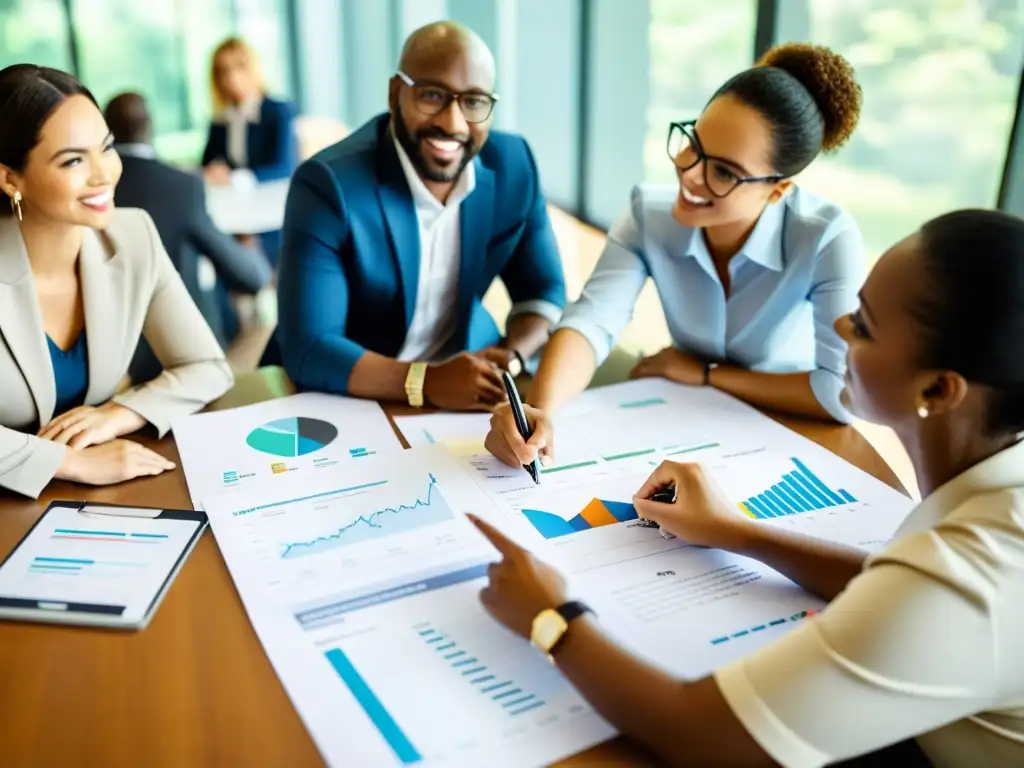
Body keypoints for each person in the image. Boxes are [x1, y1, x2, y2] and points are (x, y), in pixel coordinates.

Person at [468, 208, 1024, 766]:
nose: (839, 327)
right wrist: (738, 531)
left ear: (938, 387)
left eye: (865, 325)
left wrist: (553, 620)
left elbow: (703, 734)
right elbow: (889, 585)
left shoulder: (972, 574)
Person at [487, 43, 864, 462]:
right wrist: (541, 407)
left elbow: (841, 392)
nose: (689, 173)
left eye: (723, 172)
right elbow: (592, 321)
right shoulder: (649, 214)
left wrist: (707, 375)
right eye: (693, 144)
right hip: (686, 422)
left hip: (789, 428)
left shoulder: (825, 237)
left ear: (776, 191)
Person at [274, 21, 566, 412]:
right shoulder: (328, 185)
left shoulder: (514, 165)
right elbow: (310, 346)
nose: (453, 122)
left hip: (464, 382)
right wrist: (424, 382)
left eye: (474, 101)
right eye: (432, 95)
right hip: (348, 394)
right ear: (396, 94)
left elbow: (543, 292)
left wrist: (512, 354)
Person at [0, 65, 234, 499]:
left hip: (85, 501)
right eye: (73, 159)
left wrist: (120, 413)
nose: (104, 173)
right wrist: (69, 461)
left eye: (105, 148)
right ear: (10, 177)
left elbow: (207, 367)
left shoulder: (132, 235)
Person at [104, 92, 271, 377]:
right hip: (178, 351)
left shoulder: (94, 188)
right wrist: (250, 247)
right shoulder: (182, 185)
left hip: (112, 349)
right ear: (148, 127)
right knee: (259, 325)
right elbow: (249, 278)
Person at [201, 36, 298, 269]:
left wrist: (235, 178)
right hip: (235, 212)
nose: (231, 78)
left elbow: (285, 167)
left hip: (271, 212)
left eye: (238, 68)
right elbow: (206, 164)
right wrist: (213, 171)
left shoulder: (279, 111)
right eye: (223, 71)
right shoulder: (221, 120)